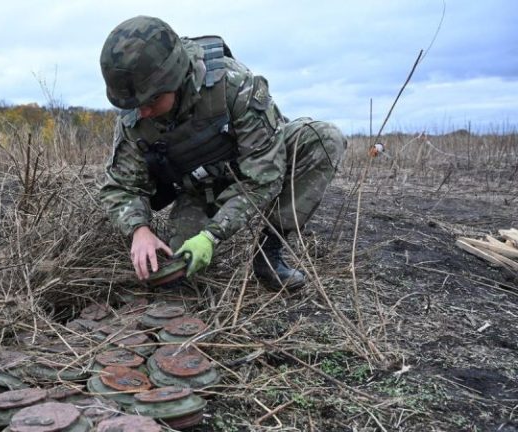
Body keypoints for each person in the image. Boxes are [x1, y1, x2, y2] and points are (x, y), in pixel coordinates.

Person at [98, 16, 347, 290]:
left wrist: (213, 235)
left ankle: (270, 252)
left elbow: (265, 173)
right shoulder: (135, 119)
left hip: (253, 168)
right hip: (200, 190)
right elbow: (121, 187)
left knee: (324, 139)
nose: (142, 111)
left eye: (151, 100)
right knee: (181, 272)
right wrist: (139, 229)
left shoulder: (232, 84)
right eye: (135, 104)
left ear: (176, 78)